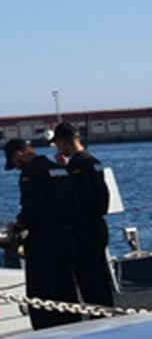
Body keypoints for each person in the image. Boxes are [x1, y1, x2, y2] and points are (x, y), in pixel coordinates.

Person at [4, 137, 81, 329]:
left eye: (14, 162)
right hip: (67, 234)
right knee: (65, 283)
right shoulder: (58, 169)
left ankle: (45, 326)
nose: (17, 167)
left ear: (19, 154)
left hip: (44, 237)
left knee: (42, 288)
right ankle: (72, 322)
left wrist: (18, 225)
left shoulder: (31, 173)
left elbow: (32, 207)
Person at [53, 122, 116, 309]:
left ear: (64, 141)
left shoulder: (78, 165)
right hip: (98, 224)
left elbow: (78, 198)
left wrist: (66, 173)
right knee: (100, 272)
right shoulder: (93, 161)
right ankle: (107, 308)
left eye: (57, 143)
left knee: (88, 276)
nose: (57, 147)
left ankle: (98, 312)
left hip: (84, 228)